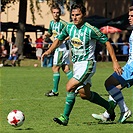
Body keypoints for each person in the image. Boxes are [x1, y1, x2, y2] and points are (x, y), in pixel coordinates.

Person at [42, 3, 122, 126]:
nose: (74, 17)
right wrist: (49, 51)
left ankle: (65, 118)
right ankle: (109, 106)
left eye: (77, 15)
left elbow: (107, 43)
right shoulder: (69, 27)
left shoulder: (90, 30)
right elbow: (59, 39)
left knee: (69, 87)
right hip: (77, 65)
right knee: (85, 94)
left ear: (83, 15)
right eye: (72, 15)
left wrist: (115, 63)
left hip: (88, 65)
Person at [92, 6, 133, 123]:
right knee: (116, 88)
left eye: (132, 16)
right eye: (129, 15)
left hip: (131, 68)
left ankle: (124, 110)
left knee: (109, 83)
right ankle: (107, 115)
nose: (129, 18)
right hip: (130, 66)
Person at [43, 3, 73, 96]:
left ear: (60, 13)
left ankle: (55, 91)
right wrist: (46, 35)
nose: (56, 14)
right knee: (66, 68)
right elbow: (50, 33)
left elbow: (71, 32)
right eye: (54, 12)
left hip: (62, 48)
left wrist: (64, 39)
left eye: (57, 12)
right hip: (58, 48)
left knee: (55, 68)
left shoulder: (63, 23)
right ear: (52, 13)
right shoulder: (52, 23)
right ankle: (78, 87)